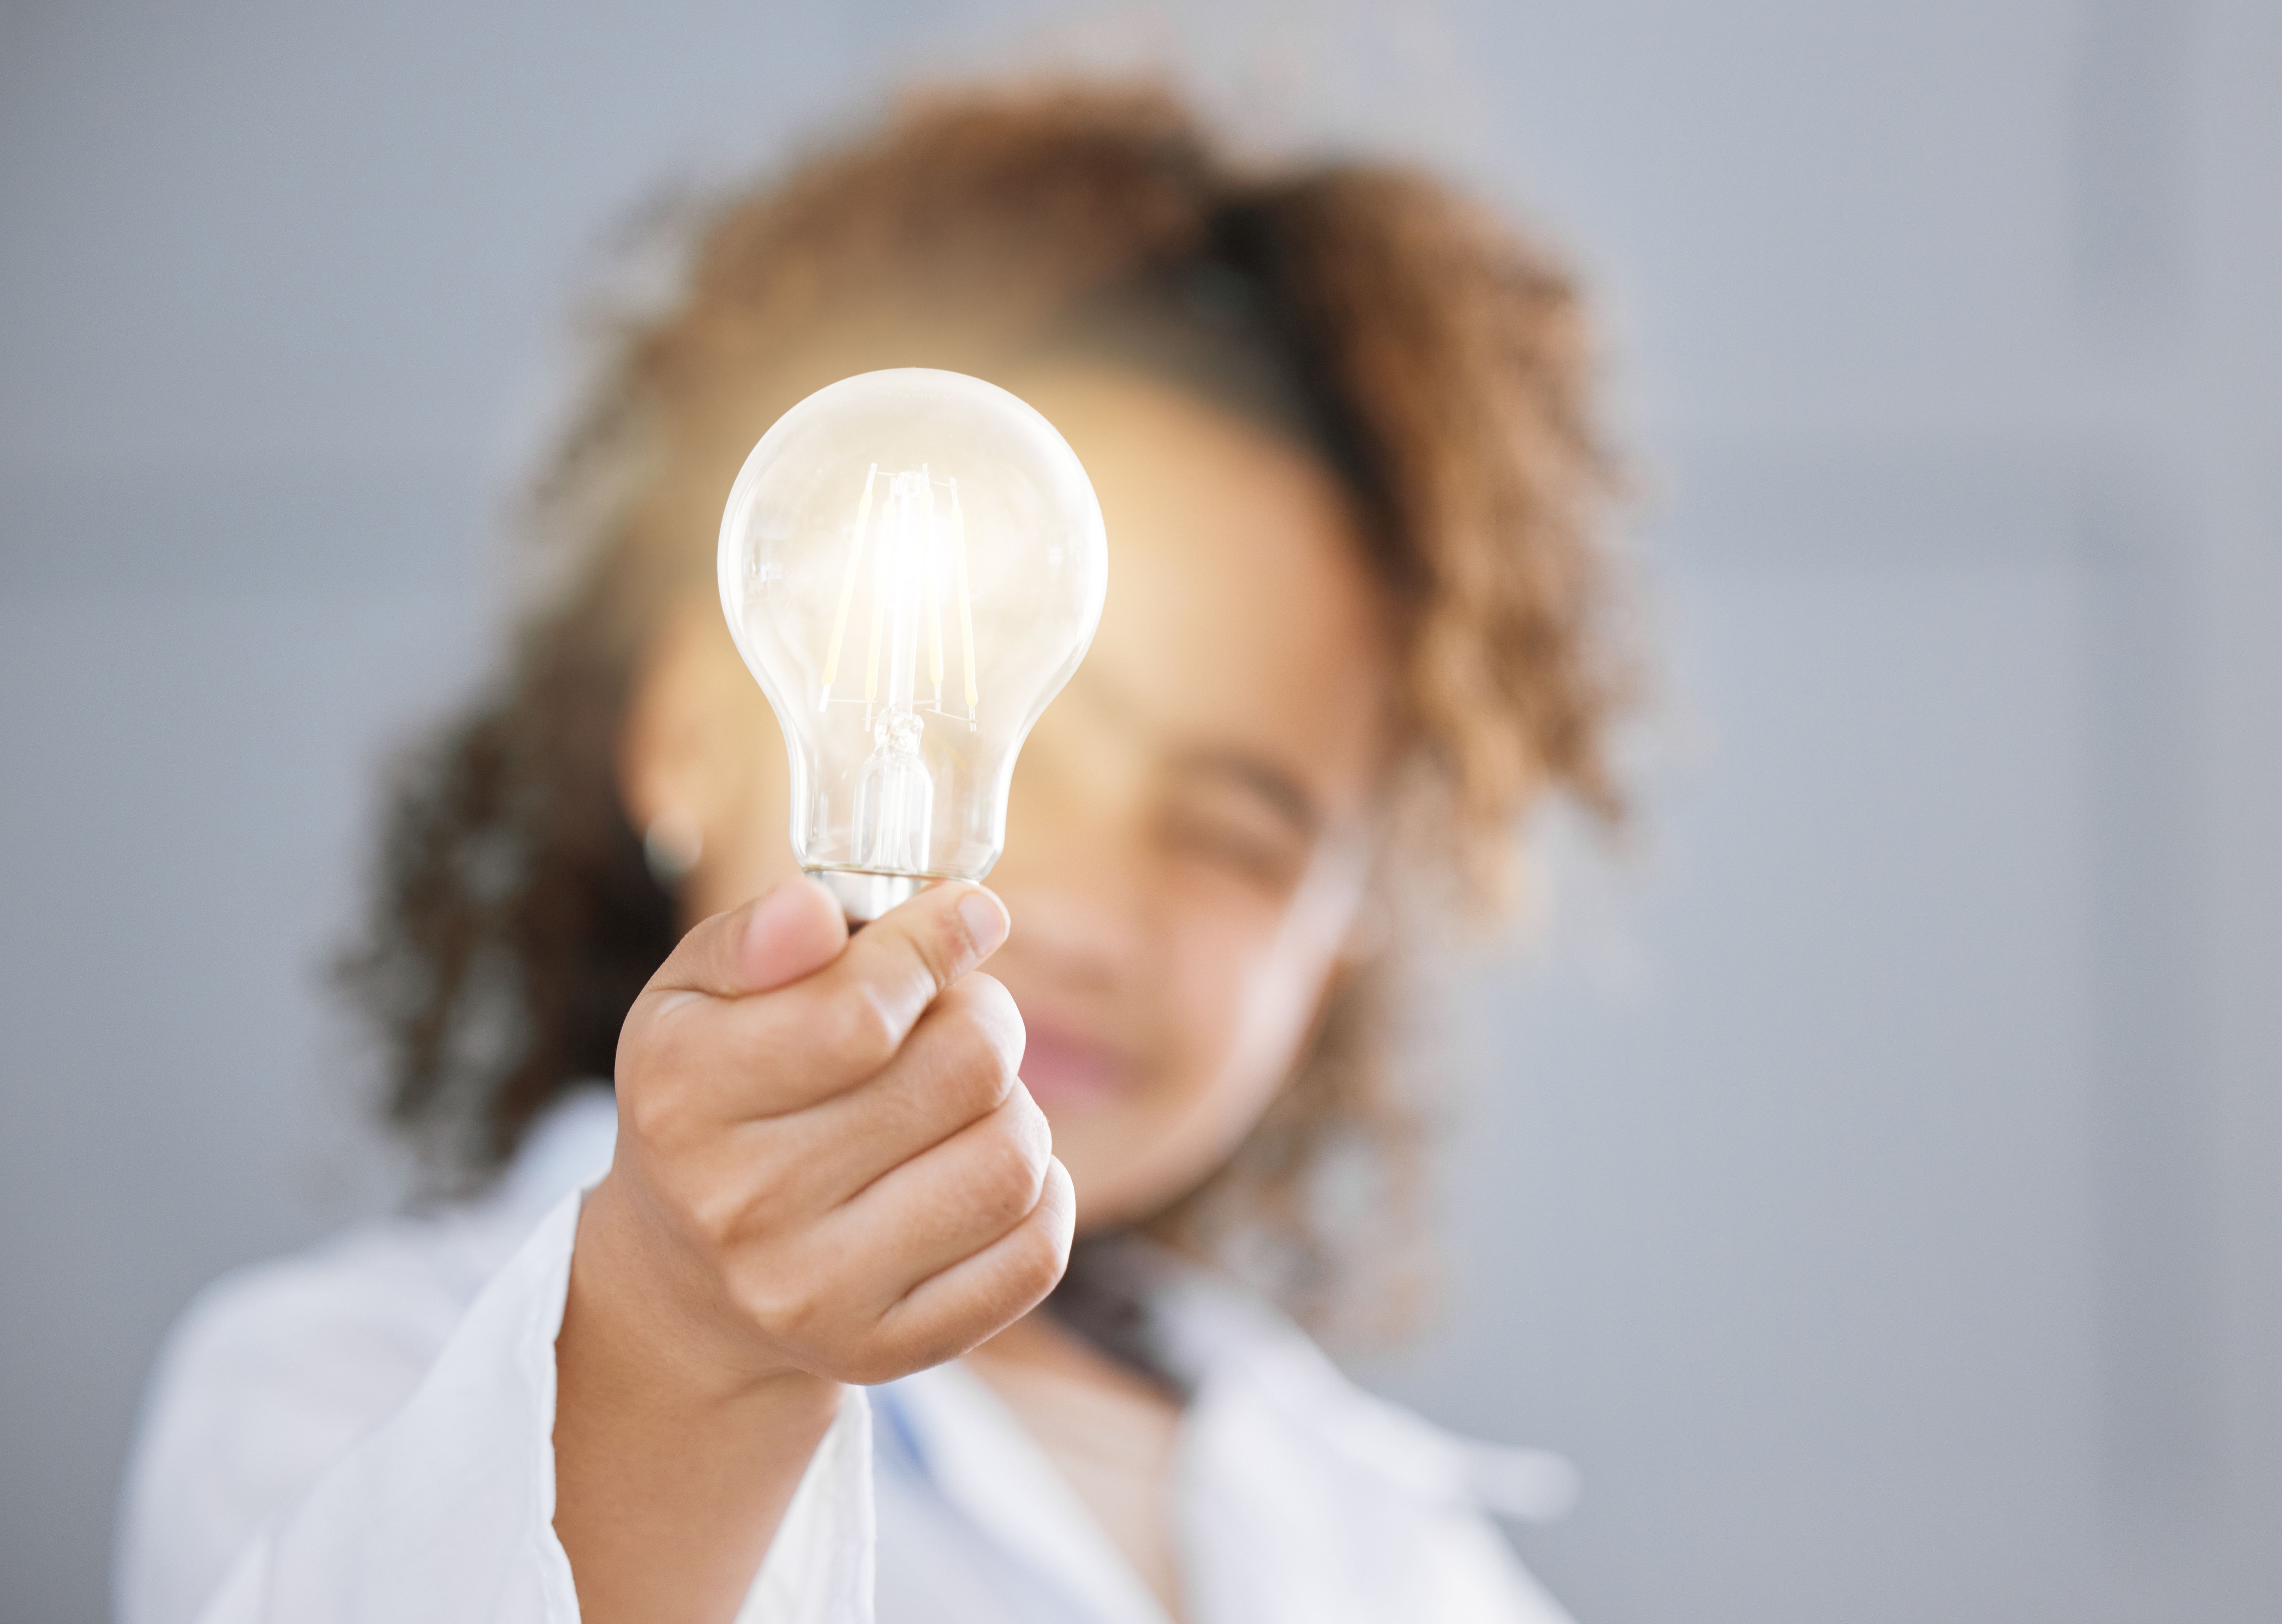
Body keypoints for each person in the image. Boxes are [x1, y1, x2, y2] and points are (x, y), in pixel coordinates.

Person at [116, 80, 1637, 1624]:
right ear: (683, 728)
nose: (1090, 915)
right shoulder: (336, 1397)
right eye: (1034, 750)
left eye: (1237, 831)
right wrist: (688, 1353)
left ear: (1350, 930)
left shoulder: (1395, 1549)